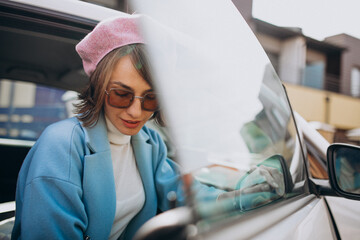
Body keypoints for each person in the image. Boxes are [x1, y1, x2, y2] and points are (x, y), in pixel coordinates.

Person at [11, 14, 284, 240]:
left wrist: (247, 193)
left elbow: (185, 194)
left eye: (151, 97)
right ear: (99, 88)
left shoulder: (149, 143)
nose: (135, 111)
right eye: (121, 94)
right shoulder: (61, 145)